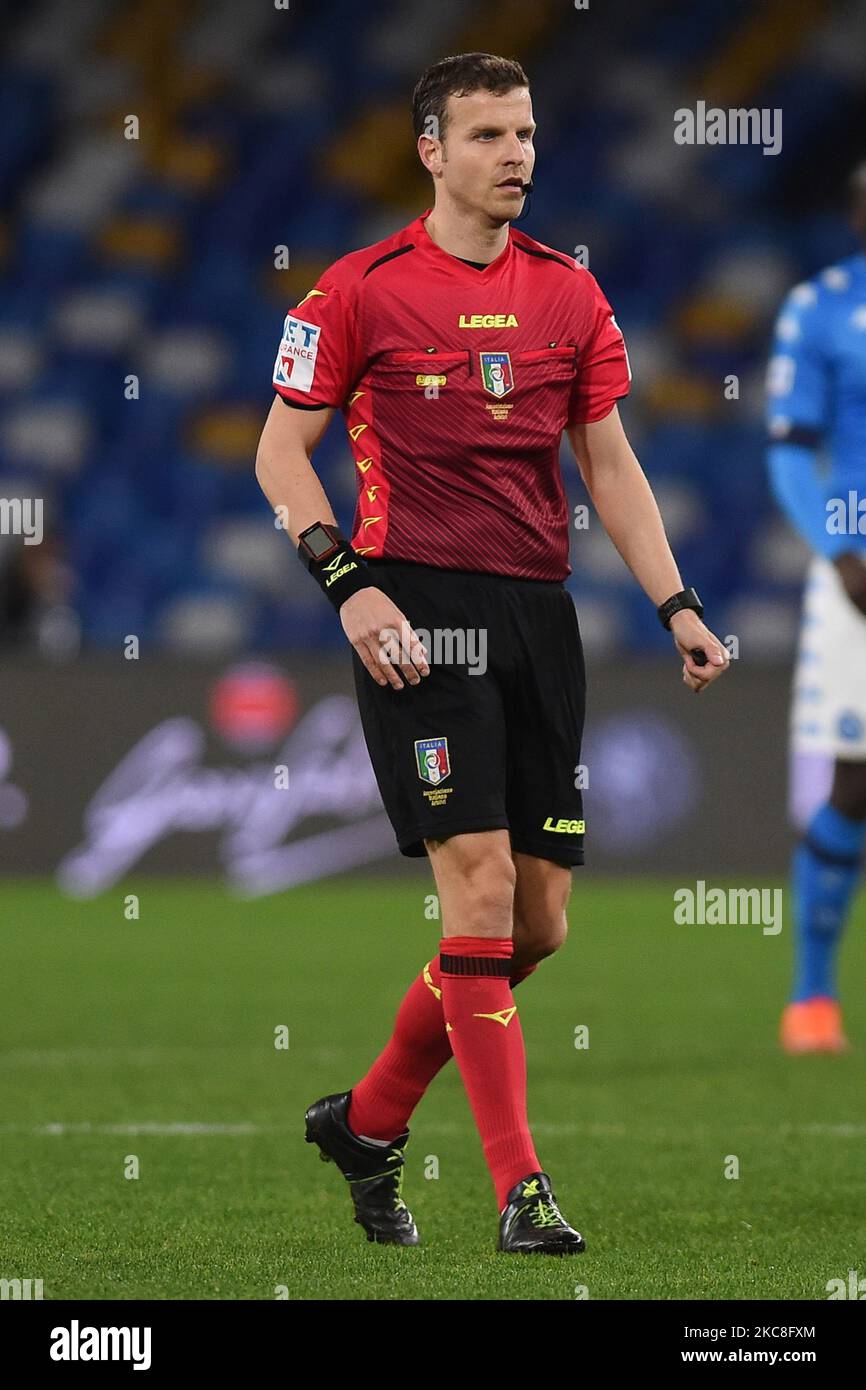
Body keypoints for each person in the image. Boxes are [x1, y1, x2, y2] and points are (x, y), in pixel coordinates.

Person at [255, 52, 729, 1255]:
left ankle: (365, 1121)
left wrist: (674, 602)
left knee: (536, 926)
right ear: (431, 150)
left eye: (522, 133)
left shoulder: (570, 293)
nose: (513, 153)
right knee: (471, 891)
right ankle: (521, 1191)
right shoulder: (354, 291)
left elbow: (607, 467)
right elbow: (278, 454)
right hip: (412, 614)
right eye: (485, 135)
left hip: (538, 614)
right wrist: (346, 588)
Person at [766, 163, 866, 1054]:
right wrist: (837, 547)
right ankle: (812, 997)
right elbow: (791, 446)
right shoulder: (822, 306)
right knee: (855, 781)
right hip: (859, 570)